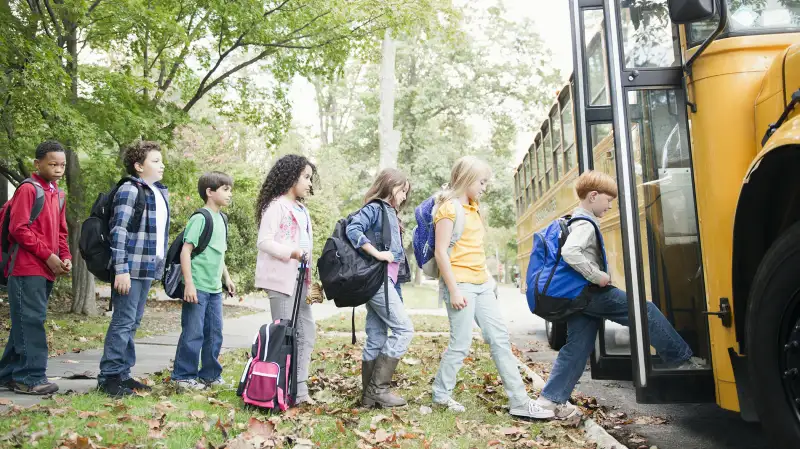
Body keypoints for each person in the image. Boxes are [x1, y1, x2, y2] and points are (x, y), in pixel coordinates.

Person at [531, 170, 704, 419]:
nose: (610, 206)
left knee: (577, 347)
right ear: (593, 196)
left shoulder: (575, 220)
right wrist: (597, 275)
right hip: (590, 293)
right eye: (608, 200)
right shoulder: (584, 224)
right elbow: (571, 252)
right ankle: (681, 360)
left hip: (578, 298)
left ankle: (550, 401)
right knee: (644, 310)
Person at [431, 156, 542, 418]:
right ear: (467, 179)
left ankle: (519, 401)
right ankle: (440, 395)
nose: (484, 187)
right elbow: (440, 253)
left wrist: (489, 280)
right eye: (481, 182)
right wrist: (455, 290)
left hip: (481, 284)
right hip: (460, 285)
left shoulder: (474, 208)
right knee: (461, 344)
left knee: (500, 340)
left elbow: (474, 249)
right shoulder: (448, 208)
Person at [98, 141, 170, 397]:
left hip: (147, 268)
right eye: (155, 161)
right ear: (139, 166)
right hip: (131, 267)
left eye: (161, 160)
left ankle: (123, 374)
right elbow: (119, 230)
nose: (161, 165)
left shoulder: (158, 192)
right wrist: (121, 268)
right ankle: (108, 377)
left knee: (133, 322)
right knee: (123, 321)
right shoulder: (130, 189)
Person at [0, 140, 71, 395]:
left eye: (62, 165)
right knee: (31, 322)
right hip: (25, 268)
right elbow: (18, 229)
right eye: (53, 164)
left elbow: (62, 232)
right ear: (37, 163)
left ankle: (7, 375)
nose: (58, 169)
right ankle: (30, 378)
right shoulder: (28, 189)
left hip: (47, 269)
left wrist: (64, 256)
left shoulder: (58, 194)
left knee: (24, 322)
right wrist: (48, 255)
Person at [346, 168, 414, 408]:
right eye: (402, 191)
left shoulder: (389, 213)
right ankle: (378, 389)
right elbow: (352, 229)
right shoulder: (375, 208)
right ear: (389, 185)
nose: (404, 197)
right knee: (404, 330)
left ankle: (368, 397)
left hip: (388, 283)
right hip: (378, 282)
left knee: (376, 336)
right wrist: (377, 253)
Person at [255, 154, 316, 404]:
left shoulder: (302, 209)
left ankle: (299, 389)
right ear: (291, 177)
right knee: (284, 335)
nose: (309, 183)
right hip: (280, 279)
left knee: (306, 332)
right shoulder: (276, 206)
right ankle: (276, 390)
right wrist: (291, 253)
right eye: (306, 177)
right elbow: (264, 241)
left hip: (301, 279)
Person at [171, 172, 235, 391]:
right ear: (210, 192)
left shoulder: (222, 219)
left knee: (214, 333)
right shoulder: (201, 218)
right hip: (197, 286)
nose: (230, 194)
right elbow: (185, 252)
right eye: (225, 189)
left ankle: (210, 375)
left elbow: (218, 252)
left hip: (215, 288)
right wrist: (188, 283)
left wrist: (227, 278)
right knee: (193, 332)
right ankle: (183, 376)